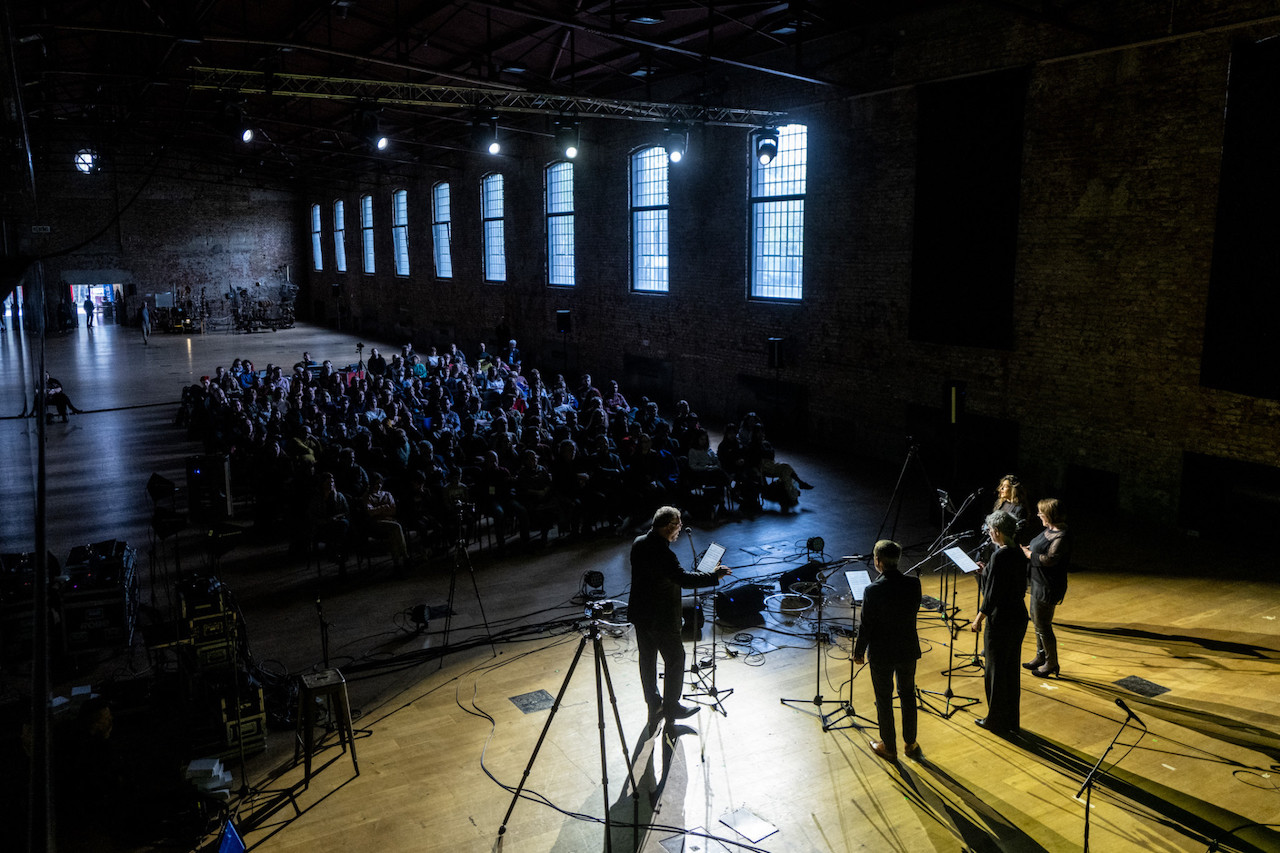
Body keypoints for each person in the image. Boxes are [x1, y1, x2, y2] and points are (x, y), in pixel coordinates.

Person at [628, 506, 730, 730]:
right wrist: (714, 576)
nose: (680, 530)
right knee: (675, 661)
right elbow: (682, 579)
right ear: (668, 527)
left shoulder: (639, 542)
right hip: (661, 618)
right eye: (678, 526)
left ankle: (654, 705)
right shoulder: (664, 553)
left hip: (641, 614)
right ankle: (672, 707)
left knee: (647, 662)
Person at [853, 539, 921, 762]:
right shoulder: (914, 584)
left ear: (878, 561)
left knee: (884, 699)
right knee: (908, 695)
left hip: (882, 653)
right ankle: (910, 743)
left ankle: (889, 747)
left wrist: (858, 651)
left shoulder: (872, 590)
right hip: (908, 649)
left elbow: (867, 626)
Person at [971, 510, 1029, 734]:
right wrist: (986, 572)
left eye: (990, 531)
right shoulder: (1016, 552)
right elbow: (1005, 582)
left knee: (994, 672)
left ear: (996, 532)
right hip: (1018, 616)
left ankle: (994, 720)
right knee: (1010, 670)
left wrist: (978, 619)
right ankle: (1010, 720)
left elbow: (993, 594)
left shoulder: (999, 556)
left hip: (1002, 618)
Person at [1022, 498, 1071, 677]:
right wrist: (1029, 548)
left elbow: (1049, 559)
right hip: (1037, 582)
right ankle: (1040, 656)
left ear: (1049, 515)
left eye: (1041, 513)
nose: (1038, 515)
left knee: (1043, 625)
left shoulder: (1062, 536)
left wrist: (1029, 554)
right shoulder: (1050, 530)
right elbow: (1039, 547)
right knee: (1036, 621)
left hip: (1048, 586)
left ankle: (1051, 663)